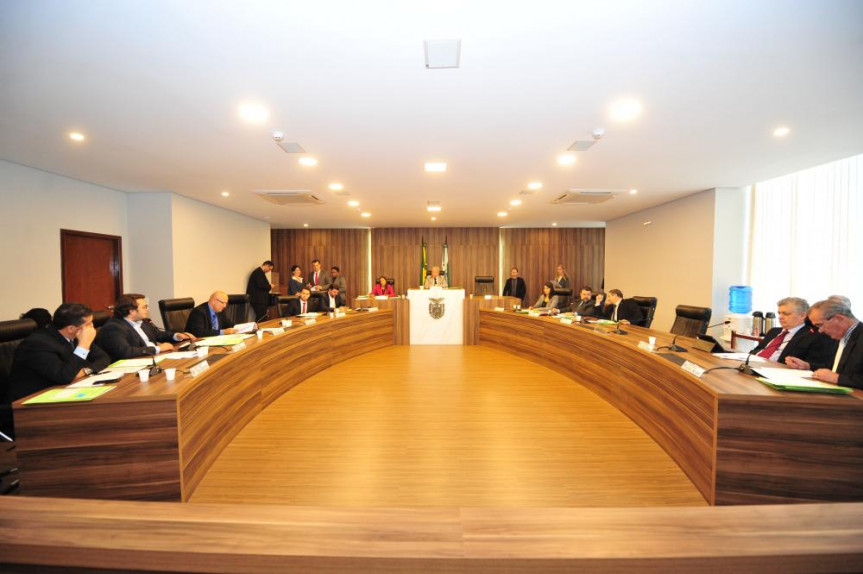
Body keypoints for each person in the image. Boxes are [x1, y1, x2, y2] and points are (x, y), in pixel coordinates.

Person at [8, 303, 111, 405]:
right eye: (89, 324)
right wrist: (83, 345)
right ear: (71, 328)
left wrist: (86, 371)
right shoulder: (37, 344)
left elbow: (103, 358)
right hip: (32, 403)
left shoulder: (75, 337)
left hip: (62, 391)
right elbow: (65, 376)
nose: (92, 327)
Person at [787, 298, 862, 389]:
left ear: (839, 319)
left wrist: (837, 378)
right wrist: (807, 366)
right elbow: (835, 368)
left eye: (820, 325)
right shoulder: (841, 336)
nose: (820, 331)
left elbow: (839, 375)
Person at [94, 294, 195, 361]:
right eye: (144, 307)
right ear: (131, 311)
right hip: (133, 370)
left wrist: (177, 336)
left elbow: (159, 334)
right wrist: (157, 349)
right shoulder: (114, 328)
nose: (147, 309)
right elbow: (126, 352)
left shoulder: (144, 321)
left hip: (154, 360)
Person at [750, 297, 836, 369]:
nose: (780, 317)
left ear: (802, 315)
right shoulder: (774, 331)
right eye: (779, 313)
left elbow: (817, 365)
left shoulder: (814, 336)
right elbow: (757, 350)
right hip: (753, 367)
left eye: (786, 314)